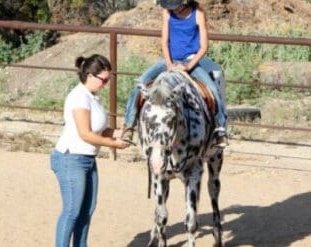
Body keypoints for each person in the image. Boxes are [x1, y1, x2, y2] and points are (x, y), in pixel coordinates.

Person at [121, 0, 228, 148]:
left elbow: (204, 46)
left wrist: (189, 66)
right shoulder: (167, 12)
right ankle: (129, 124)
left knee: (213, 89)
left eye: (176, 7)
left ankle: (220, 129)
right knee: (141, 82)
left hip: (191, 60)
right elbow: (164, 42)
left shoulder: (198, 14)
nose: (174, 10)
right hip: (169, 59)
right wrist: (170, 64)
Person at [50, 54, 129, 247]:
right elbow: (85, 133)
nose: (106, 83)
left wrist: (122, 132)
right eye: (104, 79)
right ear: (91, 75)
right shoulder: (79, 97)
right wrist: (113, 144)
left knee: (87, 210)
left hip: (87, 159)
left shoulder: (93, 97)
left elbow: (100, 130)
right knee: (71, 211)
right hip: (71, 158)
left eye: (108, 80)